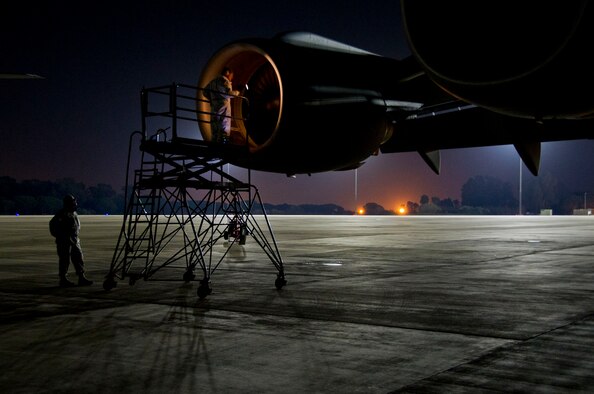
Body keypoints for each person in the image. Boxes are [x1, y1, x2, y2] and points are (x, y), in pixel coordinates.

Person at [49, 195, 93, 287]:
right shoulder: (61, 214)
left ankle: (81, 277)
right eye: (73, 202)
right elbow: (53, 226)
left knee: (78, 258)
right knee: (64, 260)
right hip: (64, 241)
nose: (75, 204)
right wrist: (61, 236)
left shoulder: (74, 213)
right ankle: (63, 279)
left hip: (74, 240)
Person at [203, 66, 240, 144]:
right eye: (231, 76)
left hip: (214, 108)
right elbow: (229, 94)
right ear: (227, 73)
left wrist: (212, 99)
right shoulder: (224, 81)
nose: (231, 78)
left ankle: (214, 146)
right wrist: (237, 92)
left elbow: (205, 92)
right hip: (223, 108)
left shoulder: (213, 82)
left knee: (215, 130)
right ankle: (224, 146)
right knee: (224, 129)